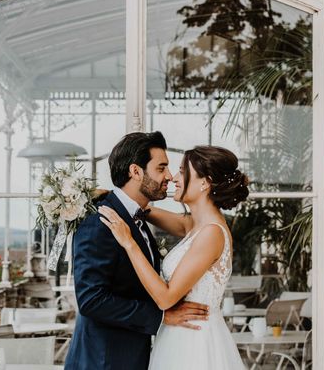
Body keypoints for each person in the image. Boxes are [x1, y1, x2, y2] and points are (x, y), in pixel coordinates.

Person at [64, 131, 211, 370]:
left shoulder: (134, 216)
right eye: (161, 168)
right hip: (103, 361)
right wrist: (161, 317)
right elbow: (91, 300)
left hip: (132, 357)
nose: (170, 176)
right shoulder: (101, 221)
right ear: (135, 171)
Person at [98, 145, 250, 370]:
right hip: (177, 336)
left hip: (194, 342)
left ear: (204, 183)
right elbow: (143, 210)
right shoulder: (196, 225)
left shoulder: (211, 233)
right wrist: (111, 196)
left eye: (182, 171)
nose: (174, 178)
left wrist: (129, 243)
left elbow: (166, 298)